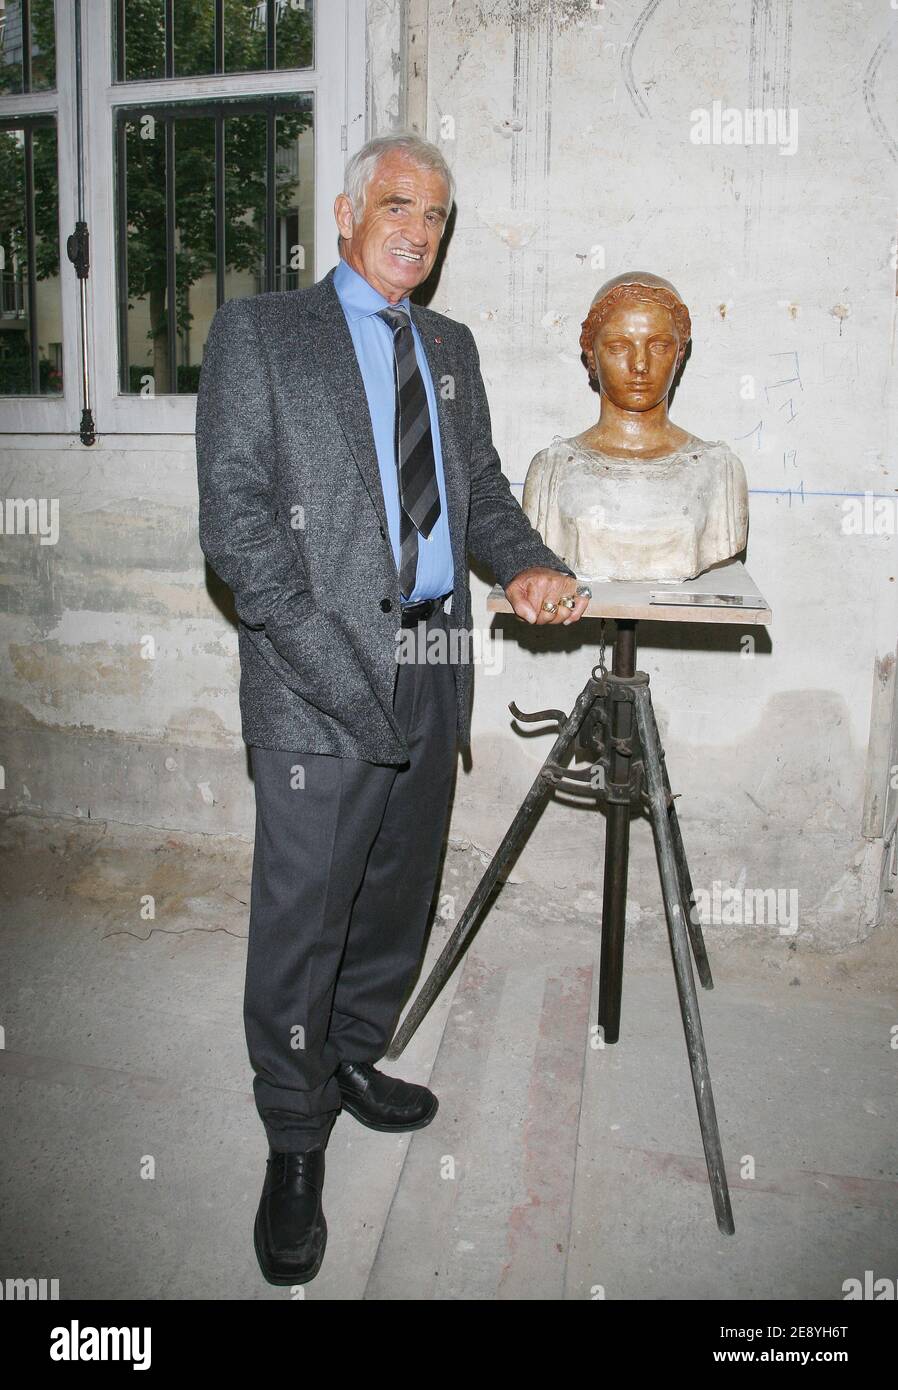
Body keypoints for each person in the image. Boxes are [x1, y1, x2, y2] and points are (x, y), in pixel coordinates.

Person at [195, 132, 590, 1286]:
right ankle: (295, 1136)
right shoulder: (263, 333)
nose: (418, 230)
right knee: (304, 917)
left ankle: (356, 1054)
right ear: (347, 209)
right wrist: (330, 665)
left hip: (432, 655)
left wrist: (519, 564)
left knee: (392, 893)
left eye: (437, 216)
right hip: (316, 670)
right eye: (399, 205)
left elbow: (471, 490)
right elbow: (240, 529)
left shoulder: (451, 348)